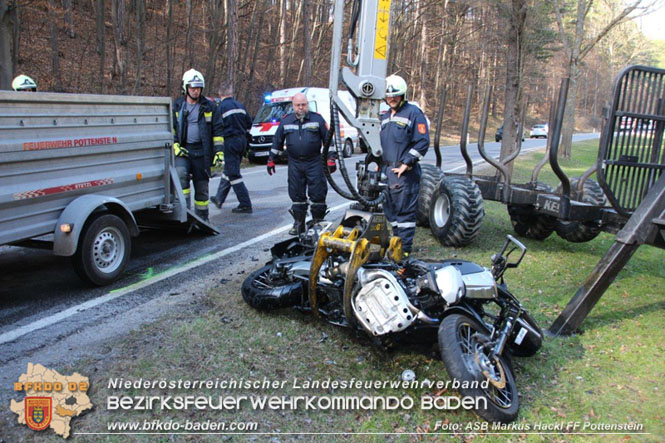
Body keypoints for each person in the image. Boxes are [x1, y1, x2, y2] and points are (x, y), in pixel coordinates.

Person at [267, 92, 336, 235]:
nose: (301, 108)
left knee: (318, 193)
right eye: (298, 105)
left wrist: (331, 159)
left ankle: (317, 223)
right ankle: (299, 223)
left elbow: (328, 140)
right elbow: (277, 141)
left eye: (303, 105)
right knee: (297, 194)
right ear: (293, 106)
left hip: (315, 162)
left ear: (307, 105)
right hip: (295, 164)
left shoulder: (317, 119)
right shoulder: (286, 121)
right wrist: (271, 159)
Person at [379, 74, 429, 256]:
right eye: (389, 96)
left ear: (403, 95)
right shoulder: (384, 116)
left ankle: (404, 254)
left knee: (405, 217)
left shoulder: (413, 113)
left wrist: (406, 163)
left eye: (396, 95)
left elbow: (422, 142)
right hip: (387, 173)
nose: (392, 99)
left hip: (404, 175)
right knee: (391, 215)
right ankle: (395, 249)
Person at [172, 69, 224, 221]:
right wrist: (175, 144)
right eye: (192, 88)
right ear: (186, 88)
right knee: (181, 177)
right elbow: (172, 127)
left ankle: (202, 218)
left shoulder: (209, 107)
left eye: (198, 88)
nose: (195, 91)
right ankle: (184, 214)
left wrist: (219, 152)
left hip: (202, 152)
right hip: (184, 150)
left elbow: (218, 131)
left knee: (202, 185)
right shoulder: (178, 106)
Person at [211, 83, 253, 213]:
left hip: (230, 142)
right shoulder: (240, 105)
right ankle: (219, 198)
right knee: (229, 170)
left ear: (220, 93)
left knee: (234, 174)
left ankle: (245, 203)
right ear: (231, 93)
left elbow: (217, 127)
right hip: (242, 141)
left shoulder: (221, 108)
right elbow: (249, 124)